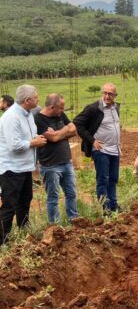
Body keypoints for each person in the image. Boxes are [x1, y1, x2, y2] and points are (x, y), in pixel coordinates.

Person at [0, 85, 47, 244]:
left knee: (25, 200)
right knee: (9, 205)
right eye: (35, 96)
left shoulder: (28, 115)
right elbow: (14, 145)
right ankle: (2, 241)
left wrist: (36, 138)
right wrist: (34, 142)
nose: (38, 98)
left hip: (25, 168)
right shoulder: (11, 117)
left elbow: (28, 136)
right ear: (27, 100)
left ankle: (24, 232)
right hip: (11, 169)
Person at [74, 83, 121, 213]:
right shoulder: (93, 108)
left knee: (113, 178)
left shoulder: (116, 107)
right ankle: (105, 208)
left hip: (115, 149)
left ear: (115, 95)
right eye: (104, 93)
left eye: (110, 94)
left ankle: (113, 204)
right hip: (101, 150)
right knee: (103, 179)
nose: (107, 96)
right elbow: (77, 123)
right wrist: (92, 140)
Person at [34, 94, 78, 224]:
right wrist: (64, 129)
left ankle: (74, 220)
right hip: (50, 166)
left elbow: (74, 130)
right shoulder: (38, 120)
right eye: (60, 108)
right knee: (53, 197)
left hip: (67, 162)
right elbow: (53, 138)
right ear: (52, 107)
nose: (62, 111)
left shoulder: (59, 114)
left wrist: (59, 133)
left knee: (71, 194)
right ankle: (55, 226)